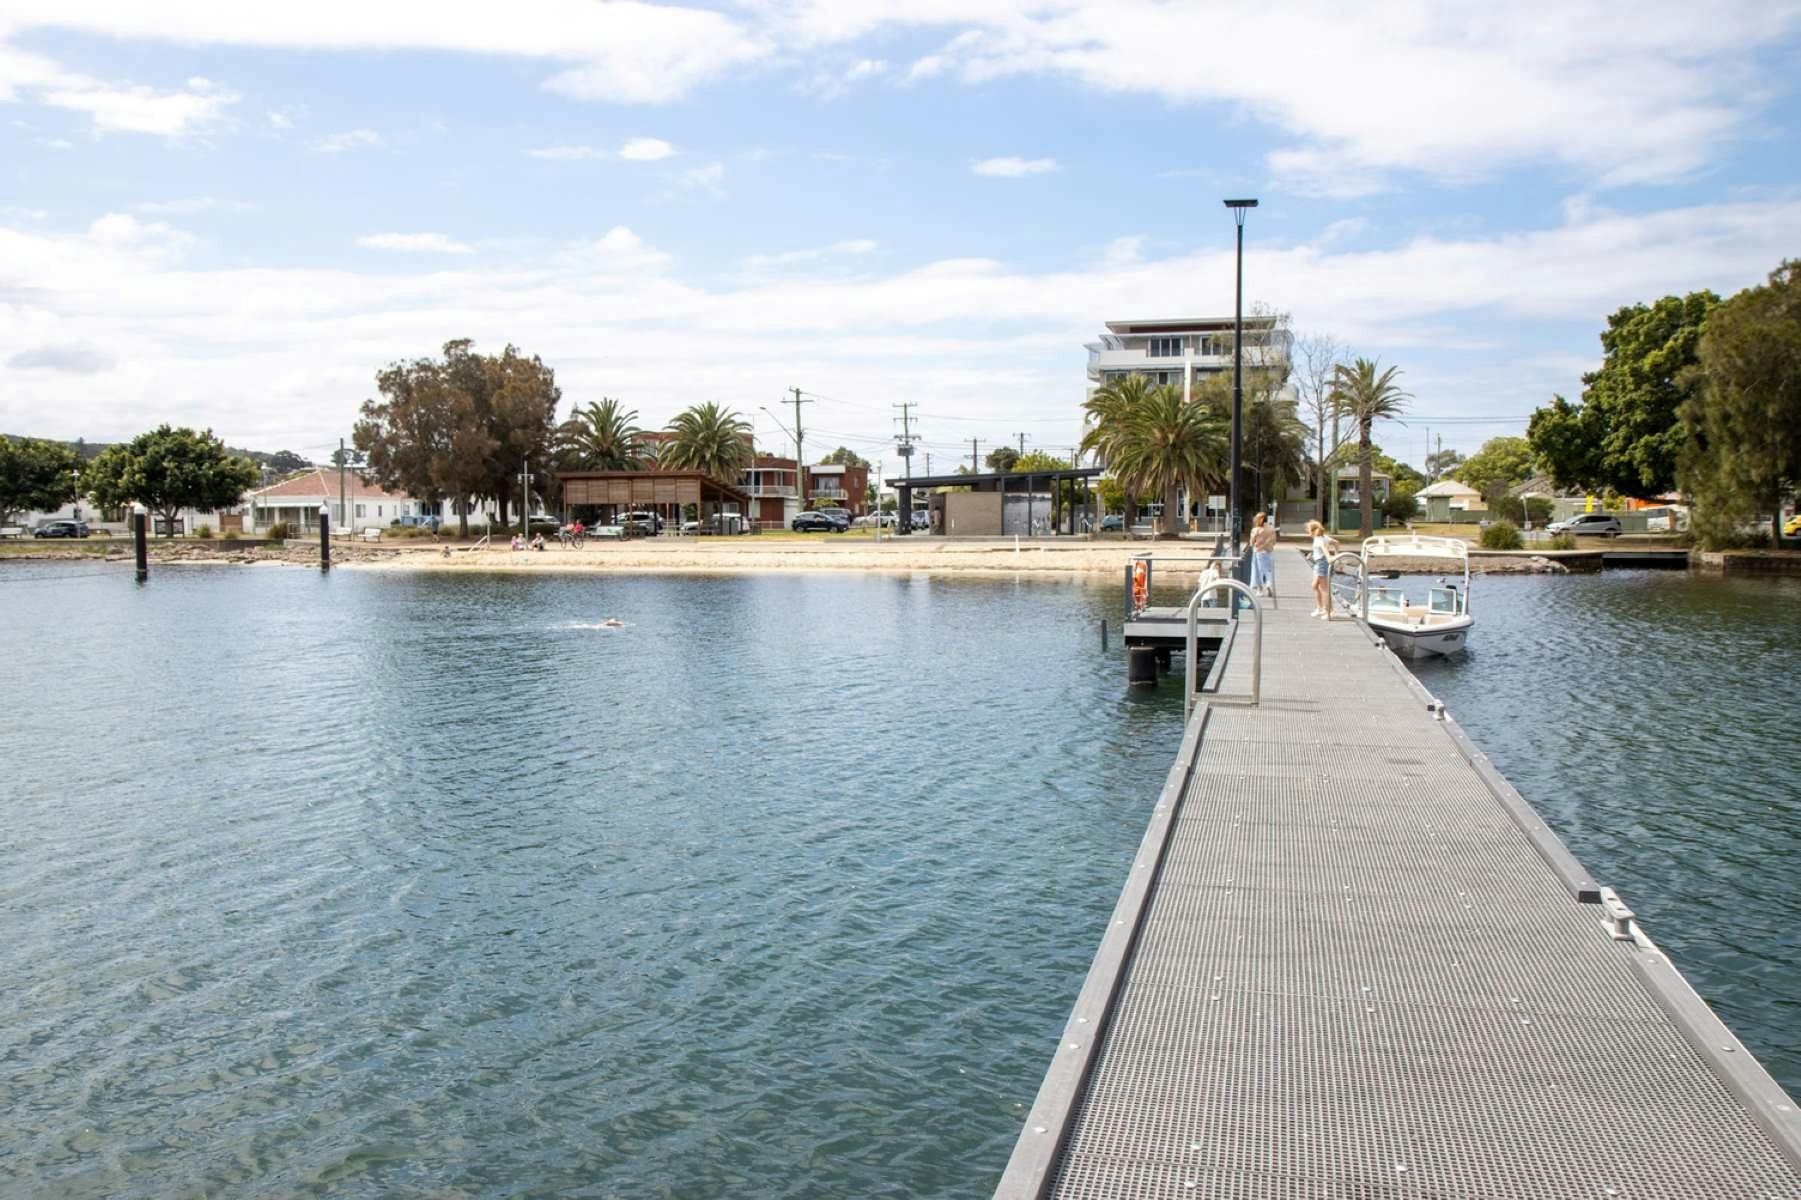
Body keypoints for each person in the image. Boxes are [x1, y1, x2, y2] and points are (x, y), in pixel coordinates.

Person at [1306, 519, 1337, 619]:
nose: (1308, 532)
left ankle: (1329, 611)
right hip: (1320, 562)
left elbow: (1324, 549)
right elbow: (1336, 542)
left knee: (1324, 588)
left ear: (1312, 530)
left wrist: (1329, 558)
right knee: (1314, 586)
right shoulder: (1324, 537)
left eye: (1308, 530)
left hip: (1321, 564)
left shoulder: (1318, 540)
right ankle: (1320, 608)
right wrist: (1336, 553)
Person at [1249, 512, 1277, 596]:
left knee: (1258, 571)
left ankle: (1260, 589)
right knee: (1268, 570)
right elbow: (1274, 541)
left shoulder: (1256, 530)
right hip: (1268, 552)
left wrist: (1254, 544)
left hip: (1258, 552)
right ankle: (1269, 583)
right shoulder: (1271, 529)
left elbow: (1252, 542)